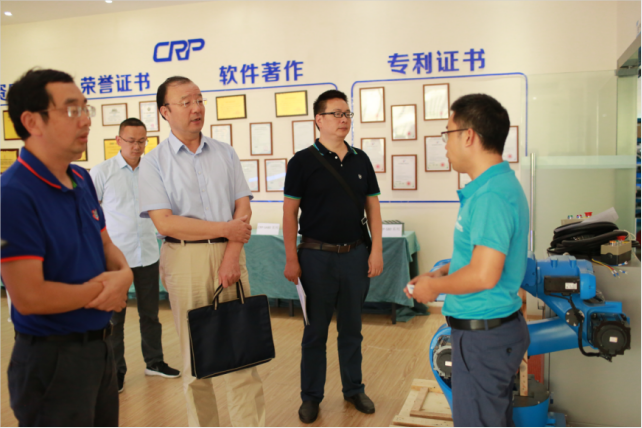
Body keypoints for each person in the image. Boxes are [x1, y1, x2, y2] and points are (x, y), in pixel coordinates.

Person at [1, 68, 133, 426]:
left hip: (99, 349)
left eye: (86, 109)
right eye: (72, 110)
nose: (86, 120)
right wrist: (104, 290)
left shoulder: (81, 178)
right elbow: (29, 297)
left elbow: (105, 243)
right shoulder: (12, 194)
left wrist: (124, 275)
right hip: (52, 360)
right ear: (32, 121)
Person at [138, 76, 265, 427]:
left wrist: (230, 254)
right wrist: (225, 230)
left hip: (231, 254)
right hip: (185, 259)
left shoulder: (224, 152)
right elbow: (165, 223)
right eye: (186, 102)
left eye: (199, 100)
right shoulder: (153, 162)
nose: (196, 108)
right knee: (197, 358)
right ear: (165, 112)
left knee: (243, 354)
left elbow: (243, 208)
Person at [405, 94, 530, 427]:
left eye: (447, 133)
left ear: (469, 136)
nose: (445, 144)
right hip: (489, 333)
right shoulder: (494, 186)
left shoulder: (491, 196)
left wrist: (434, 288)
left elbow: (484, 275)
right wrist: (444, 271)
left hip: (483, 339)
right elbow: (481, 257)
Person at [283, 89, 384, 424]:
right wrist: (291, 258)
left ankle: (354, 389)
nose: (343, 120)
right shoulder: (302, 161)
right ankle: (311, 396)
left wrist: (376, 250)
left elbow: (373, 208)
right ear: (319, 119)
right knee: (315, 333)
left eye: (347, 114)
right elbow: (289, 214)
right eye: (336, 114)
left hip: (355, 255)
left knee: (352, 329)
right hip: (316, 258)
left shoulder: (361, 159)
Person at [90, 117, 180, 393]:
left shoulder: (153, 171)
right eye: (131, 141)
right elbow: (90, 215)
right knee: (115, 318)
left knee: (150, 314)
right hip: (116, 258)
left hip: (148, 254)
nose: (137, 146)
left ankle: (155, 362)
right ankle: (116, 371)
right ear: (118, 140)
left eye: (142, 141)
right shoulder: (102, 172)